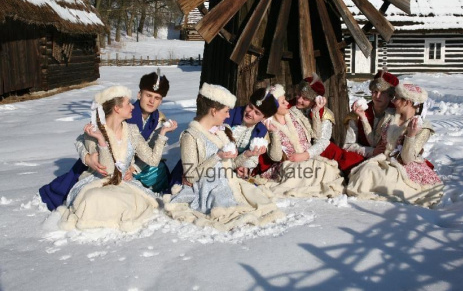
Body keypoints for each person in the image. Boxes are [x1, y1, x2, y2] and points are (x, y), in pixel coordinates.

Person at [39, 70, 175, 210]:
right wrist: (86, 157)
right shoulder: (123, 111)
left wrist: (133, 168)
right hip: (103, 161)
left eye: (157, 98)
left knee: (159, 170)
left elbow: (151, 151)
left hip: (134, 163)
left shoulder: (158, 120)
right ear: (139, 94)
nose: (152, 101)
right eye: (148, 95)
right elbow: (83, 138)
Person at [163, 83, 284, 231]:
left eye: (257, 113)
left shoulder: (257, 128)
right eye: (250, 107)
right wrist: (218, 158)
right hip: (200, 171)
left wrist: (247, 158)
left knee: (253, 199)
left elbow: (231, 162)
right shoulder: (226, 118)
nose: (250, 113)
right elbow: (200, 144)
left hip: (224, 172)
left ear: (263, 117)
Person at [58, 86, 176, 231]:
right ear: (117, 109)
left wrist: (162, 133)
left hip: (124, 183)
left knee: (129, 199)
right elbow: (106, 170)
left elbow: (152, 160)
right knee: (93, 197)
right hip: (98, 182)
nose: (133, 106)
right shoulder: (94, 132)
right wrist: (100, 141)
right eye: (128, 104)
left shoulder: (132, 131)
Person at [347, 82, 443, 207]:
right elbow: (374, 141)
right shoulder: (390, 116)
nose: (393, 100)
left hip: (403, 166)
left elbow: (407, 159)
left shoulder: (423, 127)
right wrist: (363, 117)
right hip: (384, 161)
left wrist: (411, 135)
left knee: (382, 178)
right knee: (367, 171)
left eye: (396, 98)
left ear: (407, 102)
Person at [252, 84, 344, 198]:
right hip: (288, 164)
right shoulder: (266, 124)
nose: (287, 103)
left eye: (285, 100)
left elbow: (316, 134)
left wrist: (315, 111)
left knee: (326, 169)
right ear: (273, 106)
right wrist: (273, 133)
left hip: (308, 158)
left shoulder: (294, 113)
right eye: (282, 102)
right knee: (304, 172)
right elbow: (275, 157)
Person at [343, 69, 398, 158]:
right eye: (375, 91)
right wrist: (371, 151)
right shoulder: (358, 112)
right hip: (363, 156)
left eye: (383, 93)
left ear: (390, 96)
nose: (377, 96)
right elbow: (348, 145)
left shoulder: (396, 114)